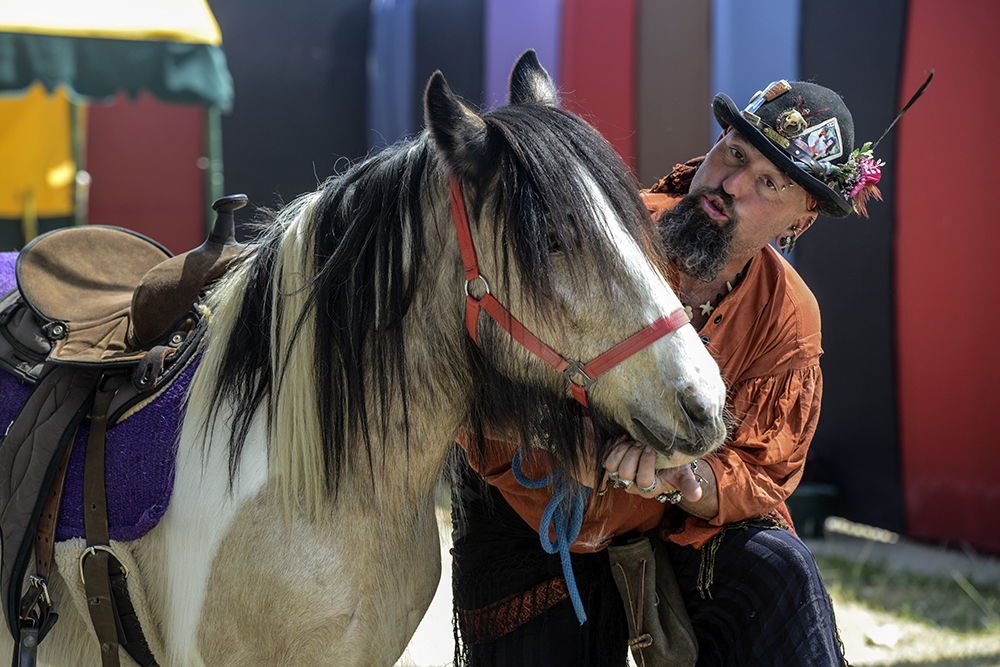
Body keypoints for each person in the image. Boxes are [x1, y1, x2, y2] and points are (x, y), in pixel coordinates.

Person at [451, 78, 883, 666]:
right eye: (734, 152)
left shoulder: (789, 316)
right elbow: (477, 376)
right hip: (539, 503)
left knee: (780, 573)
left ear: (798, 223)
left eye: (767, 183)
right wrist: (568, 444)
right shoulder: (602, 232)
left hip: (680, 522)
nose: (730, 185)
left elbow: (764, 470)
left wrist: (686, 478)